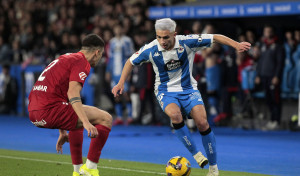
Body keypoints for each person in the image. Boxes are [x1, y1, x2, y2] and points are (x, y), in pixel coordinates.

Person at [112, 18, 251, 176]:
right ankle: (196, 154)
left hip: (188, 89)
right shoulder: (150, 49)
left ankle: (213, 168)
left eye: (166, 37)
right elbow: (130, 62)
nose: (162, 41)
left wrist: (237, 45)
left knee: (203, 123)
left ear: (174, 34)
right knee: (175, 116)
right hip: (165, 91)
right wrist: (120, 83)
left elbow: (215, 37)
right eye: (159, 37)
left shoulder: (187, 42)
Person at [28, 34, 112, 176]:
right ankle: (90, 168)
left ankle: (77, 172)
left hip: (33, 113)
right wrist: (86, 122)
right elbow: (73, 93)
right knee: (106, 118)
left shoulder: (66, 57)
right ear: (97, 52)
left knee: (76, 111)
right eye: (101, 54)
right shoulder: (82, 62)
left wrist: (62, 131)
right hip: (49, 110)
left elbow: (60, 96)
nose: (100, 58)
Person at [255, 25, 285, 130]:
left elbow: (280, 63)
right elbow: (260, 61)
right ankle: (272, 120)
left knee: (275, 99)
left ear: (273, 32)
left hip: (273, 77)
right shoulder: (263, 45)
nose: (267, 33)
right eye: (265, 31)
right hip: (264, 76)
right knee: (268, 99)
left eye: (269, 31)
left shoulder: (278, 46)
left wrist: (277, 76)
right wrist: (258, 74)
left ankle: (276, 121)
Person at [105, 24, 135, 125]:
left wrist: (130, 71)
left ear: (122, 29)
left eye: (119, 28)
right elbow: (110, 58)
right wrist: (108, 71)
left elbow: (131, 56)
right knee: (116, 95)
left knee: (126, 94)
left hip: (124, 72)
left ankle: (130, 117)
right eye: (115, 28)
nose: (117, 30)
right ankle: (119, 117)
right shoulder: (112, 42)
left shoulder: (127, 40)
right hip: (114, 72)